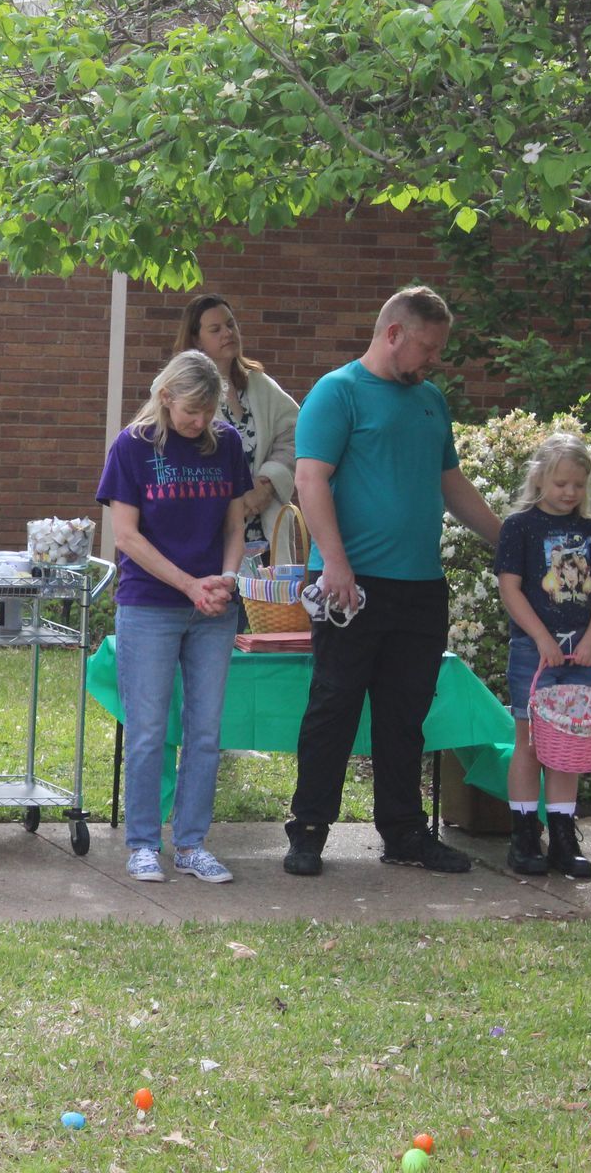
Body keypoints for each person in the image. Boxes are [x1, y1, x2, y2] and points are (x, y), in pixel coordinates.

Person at [284, 286, 503, 876]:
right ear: (393, 334)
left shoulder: (430, 400)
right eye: (427, 347)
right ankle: (307, 830)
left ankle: (405, 832)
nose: (435, 359)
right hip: (350, 588)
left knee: (406, 715)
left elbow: (450, 484)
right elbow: (310, 481)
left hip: (420, 587)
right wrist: (335, 563)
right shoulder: (338, 393)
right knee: (334, 706)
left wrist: (508, 540)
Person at [97, 350, 249, 884]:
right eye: (191, 412)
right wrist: (189, 584)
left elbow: (236, 527)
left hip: (213, 606)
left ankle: (190, 843)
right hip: (150, 607)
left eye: (209, 412)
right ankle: (143, 843)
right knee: (147, 730)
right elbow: (126, 538)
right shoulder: (132, 448)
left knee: (205, 732)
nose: (200, 423)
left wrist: (227, 580)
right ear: (165, 397)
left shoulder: (226, 444)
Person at [494, 433, 591, 879]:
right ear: (540, 478)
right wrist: (542, 638)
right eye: (562, 483)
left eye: (578, 485)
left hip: (578, 657)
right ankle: (524, 835)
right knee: (529, 741)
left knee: (569, 748)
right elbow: (510, 588)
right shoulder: (520, 526)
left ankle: (564, 836)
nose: (570, 492)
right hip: (534, 651)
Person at [176, 295, 301, 562]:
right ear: (196, 339)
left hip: (263, 537)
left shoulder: (260, 385)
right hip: (211, 535)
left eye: (231, 325)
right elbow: (176, 454)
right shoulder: (180, 390)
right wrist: (236, 499)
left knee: (264, 605)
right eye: (216, 329)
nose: (228, 333)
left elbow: (294, 434)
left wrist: (268, 481)